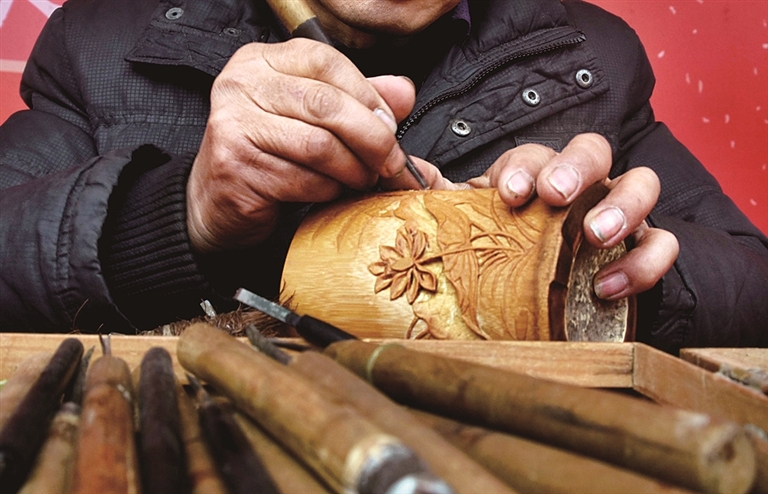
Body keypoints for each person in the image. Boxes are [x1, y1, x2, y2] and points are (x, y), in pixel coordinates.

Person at [0, 0, 765, 353]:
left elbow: (753, 280)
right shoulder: (102, 38)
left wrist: (616, 274)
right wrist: (183, 213)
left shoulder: (586, 55)